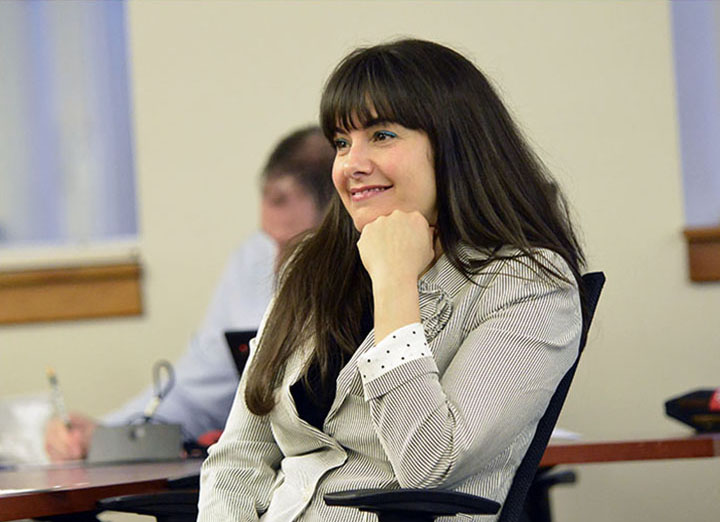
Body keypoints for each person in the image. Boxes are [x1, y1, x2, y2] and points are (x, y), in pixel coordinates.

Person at [199, 39, 586, 521]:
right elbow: (239, 458)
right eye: (342, 142)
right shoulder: (311, 271)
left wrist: (395, 282)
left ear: (453, 145)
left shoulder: (526, 285)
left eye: (382, 135)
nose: (350, 165)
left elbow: (431, 463)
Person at [44, 126, 335, 461]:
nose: (278, 263)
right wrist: (105, 435)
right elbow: (199, 391)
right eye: (273, 241)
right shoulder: (253, 260)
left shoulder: (386, 272)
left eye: (294, 244)